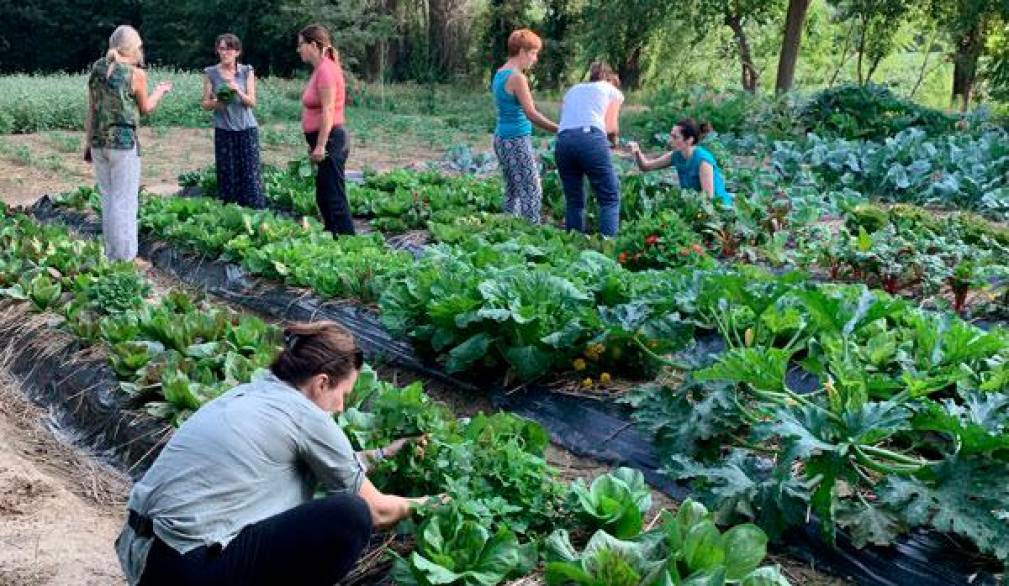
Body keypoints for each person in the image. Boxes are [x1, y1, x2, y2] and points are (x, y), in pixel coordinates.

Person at [115, 321, 435, 585]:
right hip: (186, 571)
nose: (340, 408)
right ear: (322, 383)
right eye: (344, 395)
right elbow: (377, 511)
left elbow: (316, 468)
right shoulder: (305, 416)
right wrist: (434, 504)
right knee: (350, 515)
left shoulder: (254, 392)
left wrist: (381, 454)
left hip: (144, 557)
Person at [84, 25, 172, 263]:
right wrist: (160, 91)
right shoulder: (135, 74)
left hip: (98, 142)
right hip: (122, 145)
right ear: (134, 47)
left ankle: (112, 253)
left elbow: (92, 109)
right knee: (125, 200)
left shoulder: (97, 69)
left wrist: (87, 142)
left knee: (108, 198)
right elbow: (146, 109)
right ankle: (126, 258)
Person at [491, 29, 558, 223]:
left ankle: (509, 228)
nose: (535, 59)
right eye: (533, 53)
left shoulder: (499, 73)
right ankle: (531, 231)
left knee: (513, 189)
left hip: (501, 138)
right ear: (522, 51)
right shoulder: (517, 78)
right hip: (516, 140)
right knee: (532, 188)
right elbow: (531, 113)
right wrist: (559, 129)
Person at [554, 62, 624, 237]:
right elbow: (610, 127)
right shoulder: (611, 90)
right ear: (610, 80)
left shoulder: (573, 90)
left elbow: (569, 119)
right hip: (590, 138)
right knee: (609, 197)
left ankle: (573, 245)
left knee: (574, 200)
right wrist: (614, 143)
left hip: (563, 141)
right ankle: (608, 247)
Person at [298, 24, 354, 236]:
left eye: (301, 45)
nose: (299, 50)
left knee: (334, 195)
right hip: (323, 141)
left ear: (313, 45)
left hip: (332, 140)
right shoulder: (320, 69)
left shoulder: (326, 70)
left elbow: (329, 110)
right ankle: (332, 239)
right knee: (324, 195)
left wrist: (321, 145)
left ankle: (350, 243)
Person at [201, 33, 265, 209]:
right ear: (217, 51)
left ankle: (254, 212)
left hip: (247, 129)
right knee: (227, 173)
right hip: (224, 130)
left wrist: (237, 90)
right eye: (222, 48)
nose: (225, 52)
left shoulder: (246, 71)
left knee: (250, 174)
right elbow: (205, 104)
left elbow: (251, 102)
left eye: (229, 48)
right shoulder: (210, 73)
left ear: (237, 52)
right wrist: (219, 100)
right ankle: (230, 214)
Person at [627, 119, 732, 206]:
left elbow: (709, 198)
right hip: (695, 206)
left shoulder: (703, 161)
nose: (670, 140)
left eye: (675, 137)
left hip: (719, 209)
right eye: (671, 135)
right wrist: (637, 151)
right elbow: (646, 167)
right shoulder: (676, 155)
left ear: (689, 140)